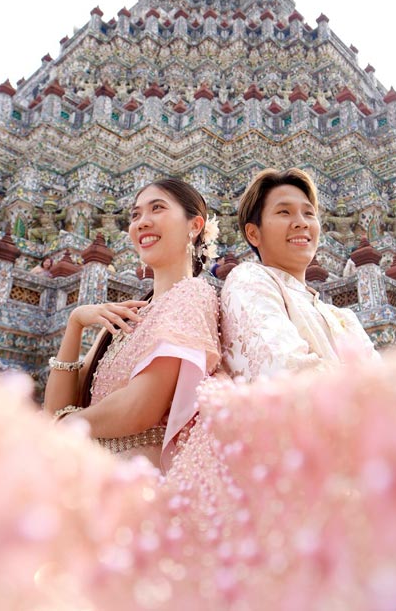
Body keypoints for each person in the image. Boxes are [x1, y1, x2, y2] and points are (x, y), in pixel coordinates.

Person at [43, 178, 221, 471]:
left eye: (157, 208)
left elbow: (140, 407)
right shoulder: (126, 316)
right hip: (89, 479)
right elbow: (55, 408)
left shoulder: (192, 294)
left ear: (195, 225)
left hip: (138, 486)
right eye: (135, 215)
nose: (142, 222)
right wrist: (75, 324)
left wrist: (64, 425)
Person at [220, 167, 378, 380]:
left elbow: (386, 385)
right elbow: (286, 371)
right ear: (253, 233)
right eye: (284, 212)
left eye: (309, 213)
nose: (302, 222)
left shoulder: (343, 317)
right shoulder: (248, 279)